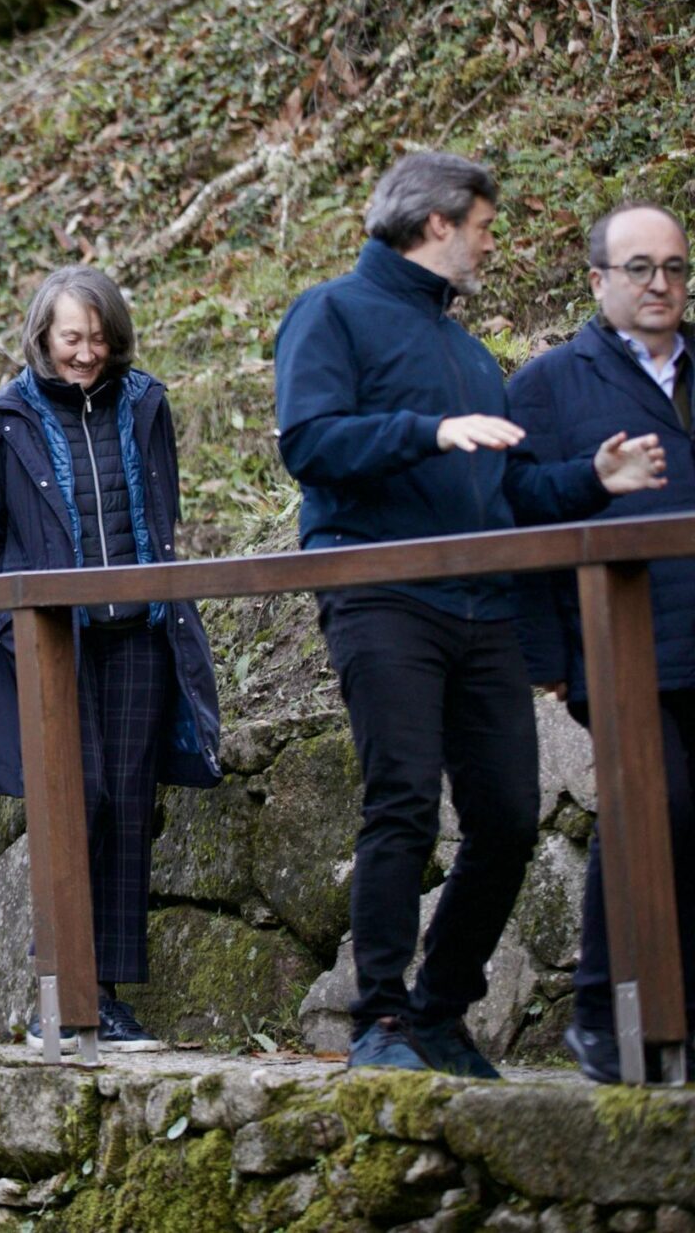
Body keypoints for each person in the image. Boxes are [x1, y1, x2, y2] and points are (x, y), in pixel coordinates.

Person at [274, 152, 666, 1076]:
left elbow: (505, 490)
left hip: (483, 603)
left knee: (507, 816)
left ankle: (440, 1009)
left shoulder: (465, 349)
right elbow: (309, 442)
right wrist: (427, 431)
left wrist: (591, 481)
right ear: (439, 222)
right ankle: (378, 1022)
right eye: (486, 226)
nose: (494, 243)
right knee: (404, 800)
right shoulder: (330, 311)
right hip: (382, 592)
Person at [0, 265, 223, 1053]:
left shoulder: (146, 403)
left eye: (99, 337)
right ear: (43, 335)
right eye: (71, 337)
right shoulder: (2, 420)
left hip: (139, 633)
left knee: (131, 805)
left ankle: (104, 994)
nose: (85, 353)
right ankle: (64, 986)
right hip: (53, 642)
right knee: (83, 798)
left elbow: (163, 504)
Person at [507, 201, 695, 1083]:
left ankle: (674, 1018)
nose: (661, 285)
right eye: (640, 268)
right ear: (597, 281)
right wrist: (546, 657)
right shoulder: (548, 384)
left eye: (675, 267)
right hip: (617, 644)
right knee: (654, 807)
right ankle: (599, 1013)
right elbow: (515, 511)